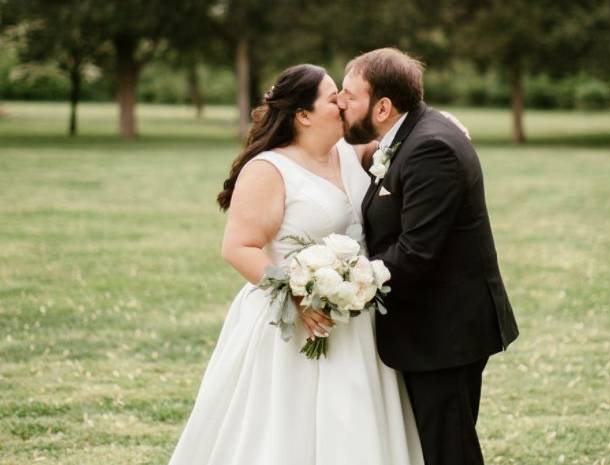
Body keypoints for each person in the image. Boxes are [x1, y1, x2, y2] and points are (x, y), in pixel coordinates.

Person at [167, 64, 424, 465]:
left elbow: (404, 136)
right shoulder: (269, 169)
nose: (342, 101)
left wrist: (445, 125)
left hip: (358, 322)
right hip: (292, 323)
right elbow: (239, 247)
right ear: (303, 114)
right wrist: (298, 297)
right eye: (332, 96)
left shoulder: (349, 152)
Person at [337, 48, 519, 465]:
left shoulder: (429, 147)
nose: (340, 102)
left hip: (445, 332)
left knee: (448, 450)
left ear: (382, 106)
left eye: (349, 94)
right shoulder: (407, 134)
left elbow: (416, 252)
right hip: (427, 327)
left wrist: (344, 284)